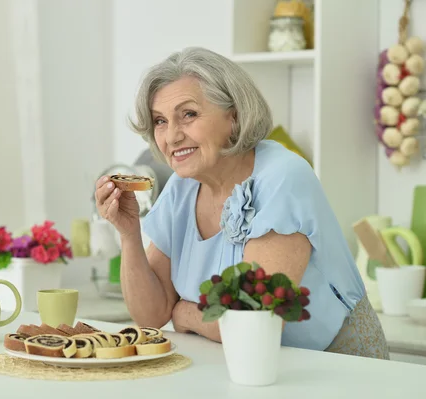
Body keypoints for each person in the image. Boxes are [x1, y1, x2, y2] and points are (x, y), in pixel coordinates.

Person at [94, 47, 389, 359]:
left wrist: (186, 314)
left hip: (336, 366)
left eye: (189, 114)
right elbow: (151, 316)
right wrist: (129, 234)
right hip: (247, 365)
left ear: (233, 116)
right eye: (160, 121)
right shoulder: (180, 188)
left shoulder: (283, 177)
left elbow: (251, 320)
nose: (172, 136)